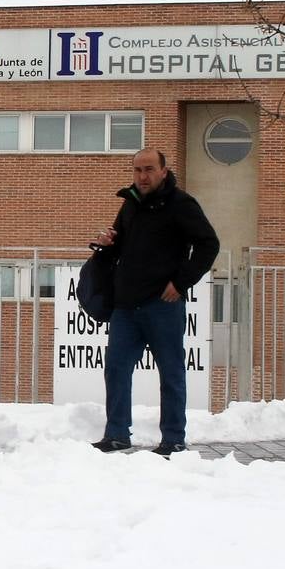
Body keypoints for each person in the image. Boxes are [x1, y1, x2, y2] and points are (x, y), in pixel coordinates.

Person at [90, 148, 219, 456]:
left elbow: (208, 244)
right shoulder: (130, 203)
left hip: (162, 305)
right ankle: (116, 435)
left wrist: (181, 283)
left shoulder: (181, 204)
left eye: (149, 169)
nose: (142, 176)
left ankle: (173, 439)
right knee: (116, 369)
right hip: (125, 306)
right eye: (137, 170)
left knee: (171, 373)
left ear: (163, 171)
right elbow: (119, 245)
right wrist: (108, 245)